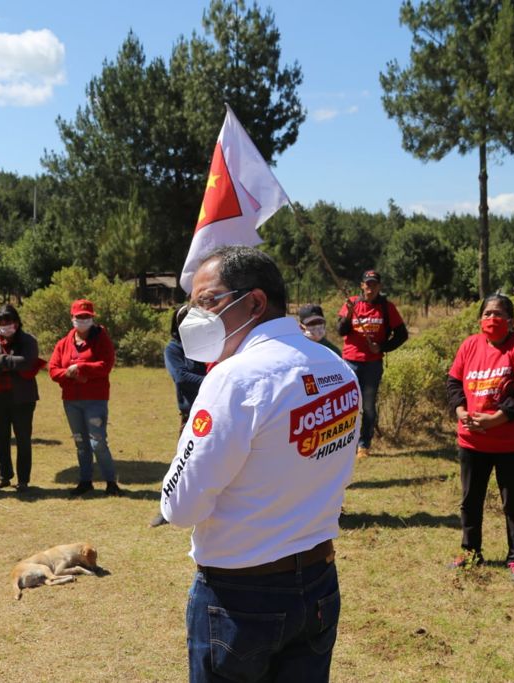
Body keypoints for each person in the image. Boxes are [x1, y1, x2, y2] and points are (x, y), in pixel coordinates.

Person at [161, 246, 360, 682]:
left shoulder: (234, 378)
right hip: (319, 581)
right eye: (192, 305)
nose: (196, 317)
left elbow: (179, 507)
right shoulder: (337, 366)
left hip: (241, 596)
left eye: (207, 301)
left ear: (254, 302)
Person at [446, 294, 514, 582]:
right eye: (487, 313)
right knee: (470, 500)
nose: (491, 318)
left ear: (511, 320)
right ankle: (471, 552)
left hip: (510, 443)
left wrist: (497, 418)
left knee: (512, 502)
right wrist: (460, 410)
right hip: (472, 440)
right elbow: (454, 382)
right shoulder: (470, 345)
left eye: (498, 314)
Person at [49, 299, 121, 496]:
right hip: (71, 400)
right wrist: (69, 374)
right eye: (79, 317)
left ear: (92, 318)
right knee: (80, 442)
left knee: (98, 442)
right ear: (72, 318)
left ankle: (111, 482)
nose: (83, 320)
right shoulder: (63, 343)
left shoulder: (101, 339)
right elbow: (53, 370)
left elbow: (105, 365)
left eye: (87, 316)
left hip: (95, 399)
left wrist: (81, 367)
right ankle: (85, 481)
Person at [336, 269, 408, 459]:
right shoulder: (352, 303)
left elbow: (402, 335)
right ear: (362, 285)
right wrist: (348, 314)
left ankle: (364, 445)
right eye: (367, 284)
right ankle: (345, 443)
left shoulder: (387, 307)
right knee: (347, 406)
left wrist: (382, 347)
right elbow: (341, 331)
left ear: (379, 286)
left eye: (374, 284)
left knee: (368, 406)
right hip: (349, 361)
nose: (370, 287)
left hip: (372, 364)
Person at [149, 305, 208, 527]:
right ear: (178, 325)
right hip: (191, 413)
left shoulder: (210, 346)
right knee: (185, 462)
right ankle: (168, 508)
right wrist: (214, 380)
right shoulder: (174, 349)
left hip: (216, 409)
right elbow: (181, 376)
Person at [0, 304, 41, 493]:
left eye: (8, 322)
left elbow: (28, 362)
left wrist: (0, 359)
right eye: (1, 322)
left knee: (23, 439)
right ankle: (4, 477)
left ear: (17, 322)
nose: (5, 326)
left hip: (22, 399)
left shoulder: (28, 340)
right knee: (1, 438)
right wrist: (11, 363)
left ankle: (23, 481)